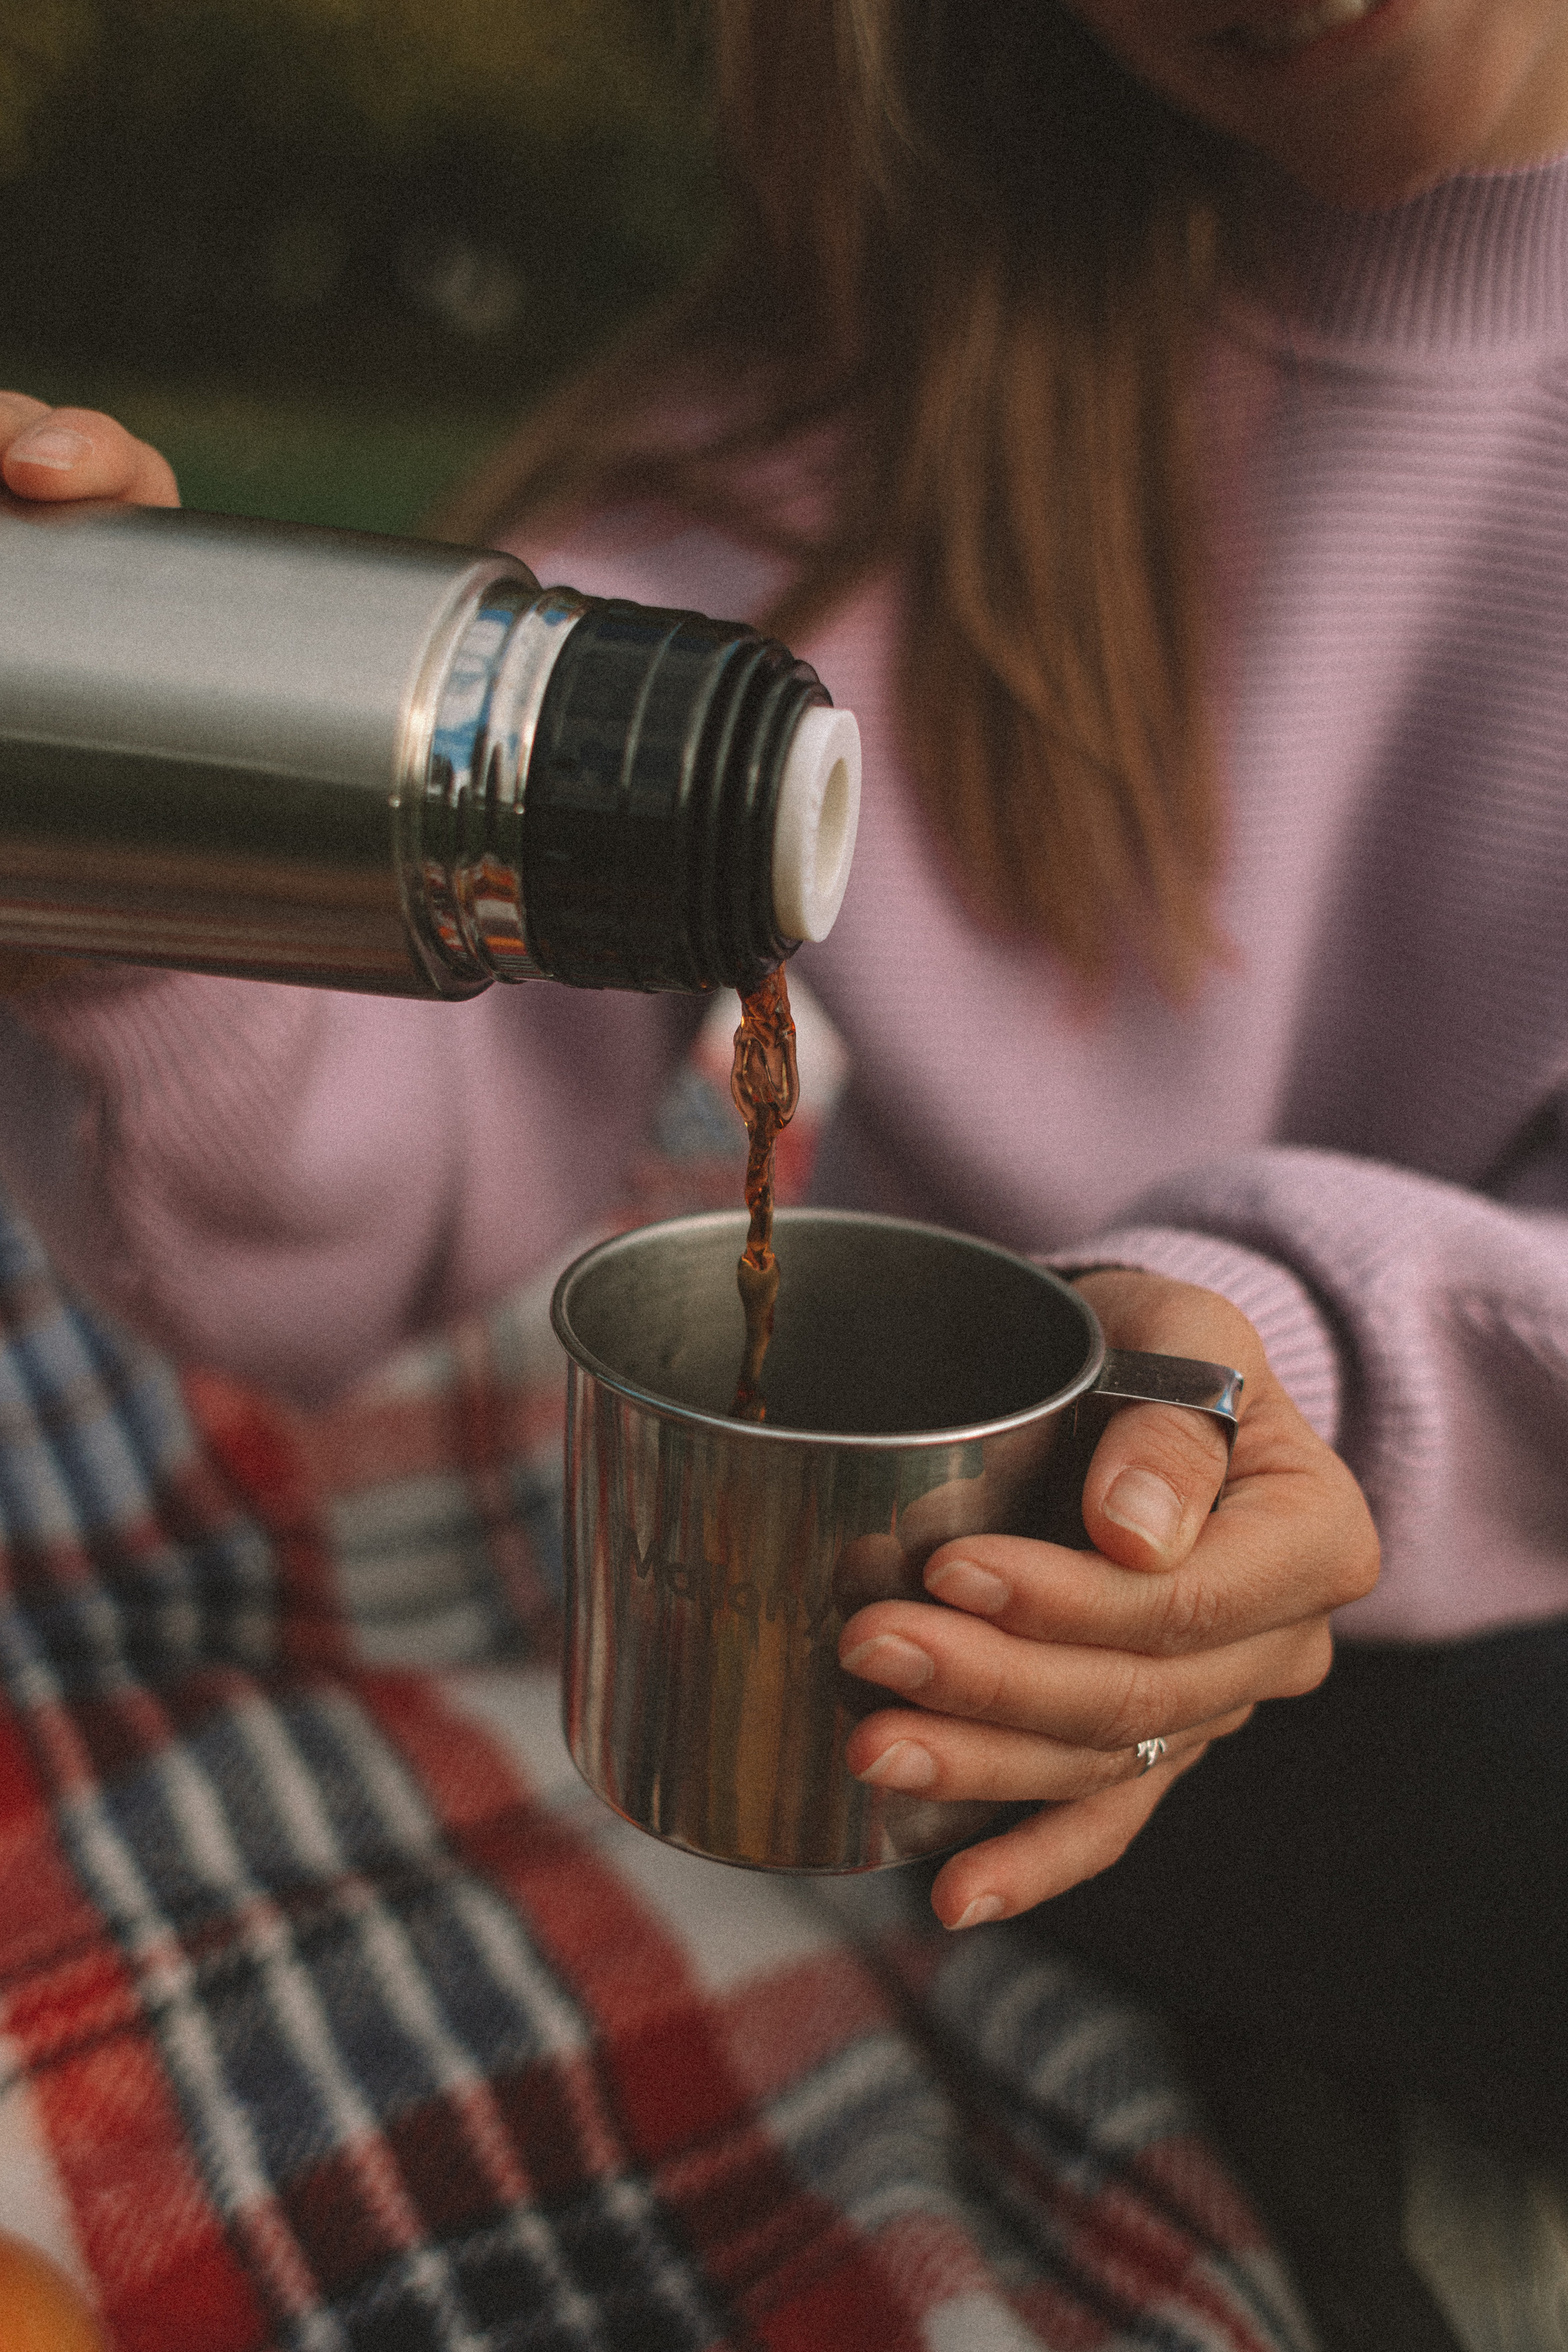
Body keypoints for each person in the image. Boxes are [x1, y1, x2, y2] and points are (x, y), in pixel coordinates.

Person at [0, 0, 1565, 2176]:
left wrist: (1292, 1343)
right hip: (1050, 1623)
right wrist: (136, 891)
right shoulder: (821, 424)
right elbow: (378, 1187)